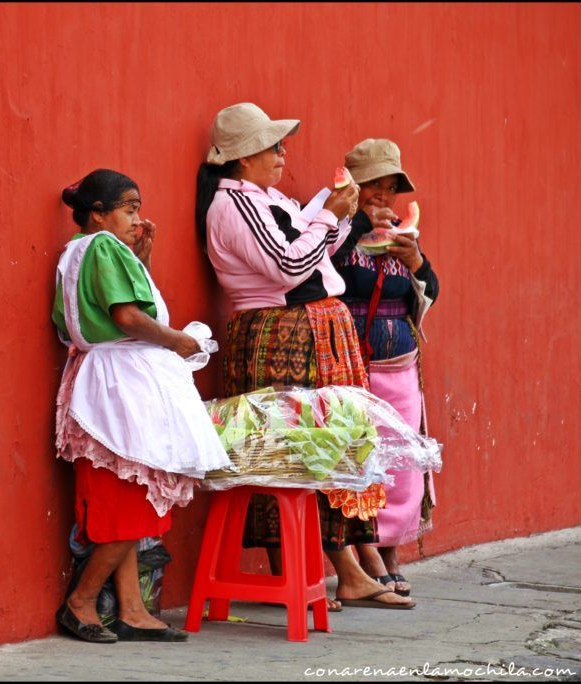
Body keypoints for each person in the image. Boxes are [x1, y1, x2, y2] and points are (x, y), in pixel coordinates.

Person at [195, 103, 414, 610]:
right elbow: (290, 264)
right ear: (244, 156)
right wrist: (332, 216)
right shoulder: (236, 204)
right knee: (292, 455)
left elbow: (313, 245)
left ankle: (347, 571)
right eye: (272, 146)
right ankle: (296, 572)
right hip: (281, 336)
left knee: (326, 451)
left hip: (308, 331)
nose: (281, 153)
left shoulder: (265, 199)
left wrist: (341, 216)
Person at [52, 169, 232, 642]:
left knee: (126, 498)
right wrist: (178, 341)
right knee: (132, 505)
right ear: (97, 214)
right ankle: (80, 602)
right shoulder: (102, 246)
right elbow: (127, 317)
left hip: (105, 383)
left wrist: (140, 259)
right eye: (129, 208)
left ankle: (131, 609)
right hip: (118, 391)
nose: (138, 217)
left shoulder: (81, 253)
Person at [332, 138, 440, 598]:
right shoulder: (333, 227)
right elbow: (326, 272)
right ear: (355, 186)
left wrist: (415, 260)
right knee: (363, 460)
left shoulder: (400, 229)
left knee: (402, 465)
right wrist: (357, 224)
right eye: (373, 185)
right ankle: (367, 553)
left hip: (400, 364)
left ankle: (392, 549)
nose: (382, 196)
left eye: (390, 187)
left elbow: (429, 288)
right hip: (353, 362)